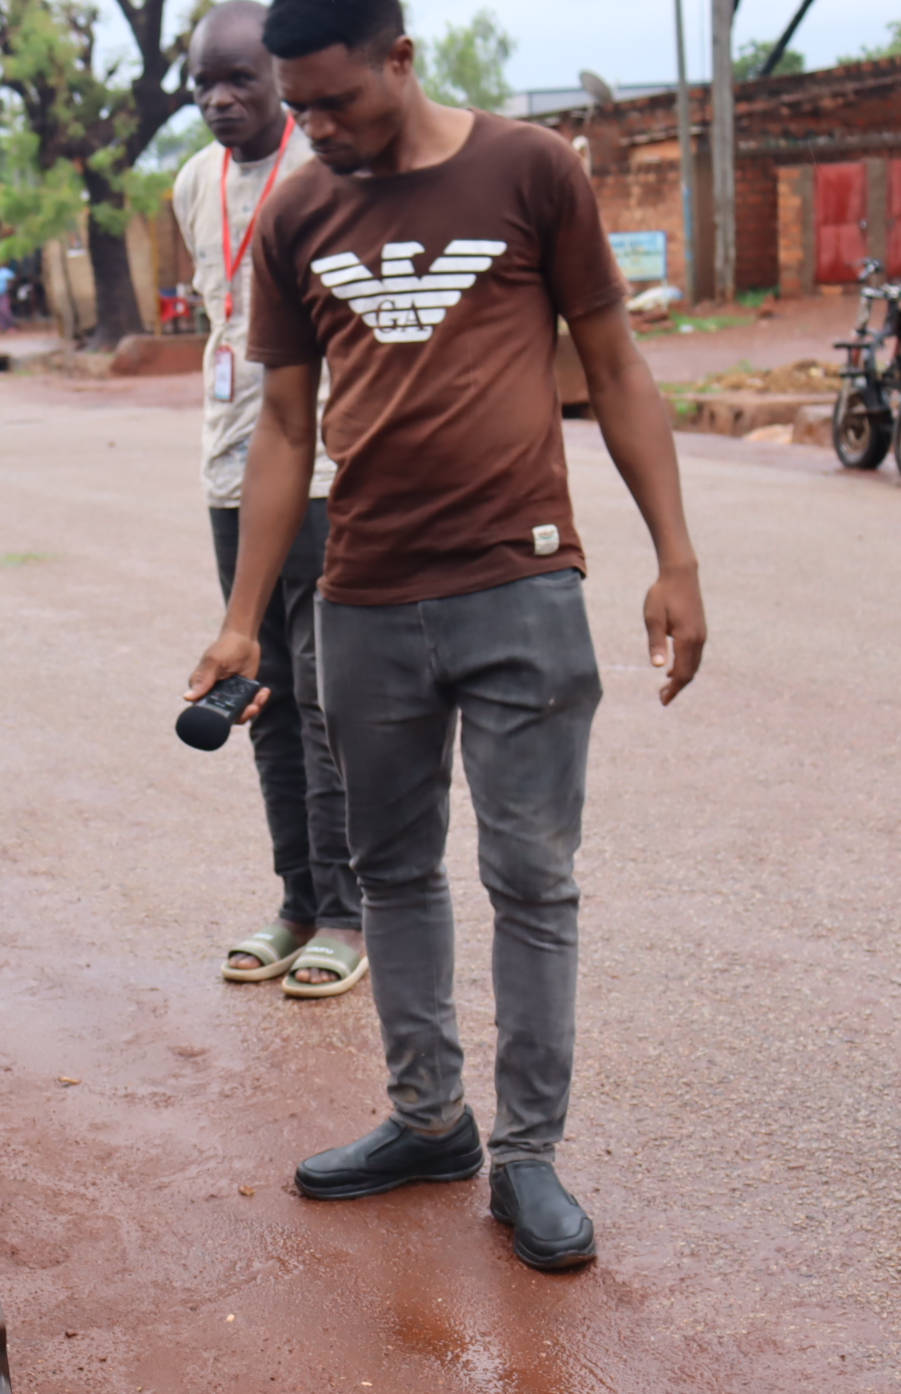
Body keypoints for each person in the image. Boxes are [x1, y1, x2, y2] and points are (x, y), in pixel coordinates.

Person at [185, 0, 705, 1271]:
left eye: (338, 102)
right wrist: (244, 617)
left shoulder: (531, 170)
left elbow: (619, 368)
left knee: (532, 876)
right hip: (362, 594)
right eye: (300, 108)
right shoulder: (302, 211)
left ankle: (529, 1155)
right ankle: (428, 1119)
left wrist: (675, 560)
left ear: (402, 60)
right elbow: (286, 430)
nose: (318, 130)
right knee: (395, 866)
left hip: (520, 584)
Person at [174, 0, 364, 1001]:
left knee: (334, 700)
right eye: (205, 82)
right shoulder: (192, 182)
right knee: (259, 695)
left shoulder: (329, 172)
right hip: (229, 475)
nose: (220, 100)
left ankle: (346, 910)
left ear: (282, 77)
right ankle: (295, 899)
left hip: (330, 476)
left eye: (242, 79)